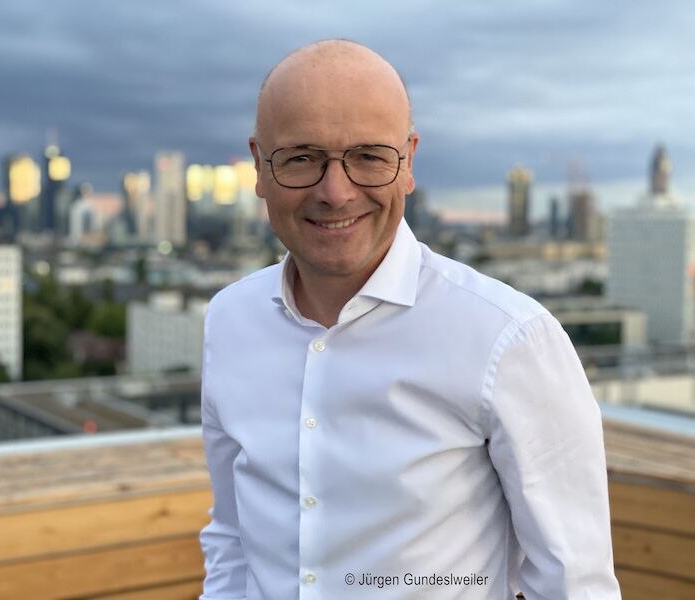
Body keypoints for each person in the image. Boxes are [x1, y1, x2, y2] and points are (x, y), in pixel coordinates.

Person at [199, 39, 621, 599]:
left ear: (408, 162)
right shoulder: (230, 320)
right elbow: (232, 535)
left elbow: (575, 585)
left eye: (368, 156)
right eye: (301, 157)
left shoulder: (508, 339)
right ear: (259, 165)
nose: (335, 192)